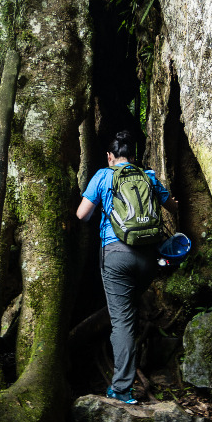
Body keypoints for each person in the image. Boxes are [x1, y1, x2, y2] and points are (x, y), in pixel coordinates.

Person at [76, 132, 178, 404]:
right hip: (147, 259)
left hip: (116, 256)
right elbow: (172, 207)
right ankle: (127, 370)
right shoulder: (149, 176)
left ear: (110, 156)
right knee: (128, 312)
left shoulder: (103, 175)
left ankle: (121, 389)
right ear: (133, 156)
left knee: (122, 322)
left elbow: (82, 214)